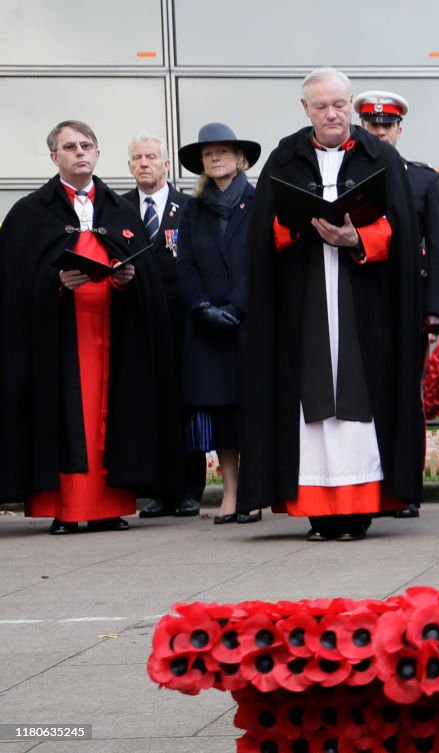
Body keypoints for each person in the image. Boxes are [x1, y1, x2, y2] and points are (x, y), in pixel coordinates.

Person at [239, 68, 423, 541]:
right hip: (302, 305)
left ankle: (360, 507)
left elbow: (402, 230)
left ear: (350, 105)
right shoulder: (284, 158)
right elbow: (262, 233)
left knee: (361, 398)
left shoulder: (379, 155)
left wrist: (357, 236)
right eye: (321, 106)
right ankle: (318, 510)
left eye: (340, 104)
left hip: (365, 306)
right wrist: (296, 225)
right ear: (306, 110)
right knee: (310, 402)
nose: (332, 113)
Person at [0, 120, 181, 533]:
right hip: (58, 337)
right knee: (64, 415)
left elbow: (147, 273)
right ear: (54, 157)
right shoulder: (30, 213)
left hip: (113, 335)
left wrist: (129, 280)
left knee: (111, 414)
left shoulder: (121, 209)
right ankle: (66, 509)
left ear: (98, 154)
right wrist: (54, 281)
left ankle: (109, 505)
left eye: (87, 145)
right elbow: (13, 281)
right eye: (69, 147)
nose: (80, 152)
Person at [354, 89, 439, 519]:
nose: (380, 132)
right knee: (355, 398)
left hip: (404, 305)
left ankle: (404, 490)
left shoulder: (422, 179)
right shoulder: (346, 176)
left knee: (402, 397)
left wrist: (435, 310)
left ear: (399, 129)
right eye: (372, 125)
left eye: (387, 125)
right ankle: (362, 486)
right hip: (354, 302)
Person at [176, 123, 259, 524]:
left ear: (239, 157)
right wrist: (203, 307)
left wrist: (238, 307)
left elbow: (265, 263)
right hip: (209, 325)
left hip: (249, 323)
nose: (215, 158)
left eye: (222, 151)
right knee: (223, 413)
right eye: (208, 154)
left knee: (251, 410)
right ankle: (231, 494)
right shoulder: (192, 210)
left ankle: (254, 494)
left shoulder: (260, 203)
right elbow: (185, 264)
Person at [122, 132, 204, 519]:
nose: (144, 164)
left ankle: (189, 489)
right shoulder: (119, 209)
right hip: (139, 324)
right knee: (150, 406)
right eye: (137, 158)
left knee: (187, 406)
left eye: (151, 157)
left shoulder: (189, 207)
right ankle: (157, 491)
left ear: (166, 164)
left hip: (182, 322)